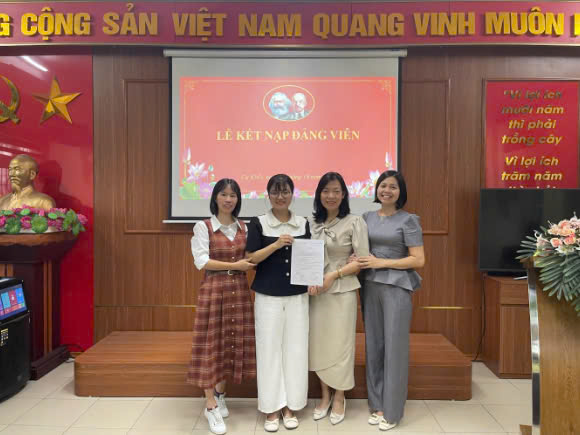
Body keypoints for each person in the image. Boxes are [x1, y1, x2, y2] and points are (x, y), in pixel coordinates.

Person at [187, 178, 257, 435]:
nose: (229, 199)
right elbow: (202, 261)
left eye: (233, 195)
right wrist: (235, 266)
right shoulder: (203, 226)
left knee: (230, 343)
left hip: (239, 291)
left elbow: (252, 256)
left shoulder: (244, 227)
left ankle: (220, 394)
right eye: (224, 194)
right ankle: (210, 405)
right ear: (215, 197)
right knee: (211, 344)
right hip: (214, 290)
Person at [357, 170, 425, 431]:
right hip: (370, 287)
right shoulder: (366, 217)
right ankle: (377, 405)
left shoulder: (408, 220)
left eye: (393, 187)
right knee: (373, 346)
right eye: (383, 185)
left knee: (394, 349)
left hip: (396, 288)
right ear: (376, 189)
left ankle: (393, 411)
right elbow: (362, 250)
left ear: (400, 192)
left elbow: (418, 259)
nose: (387, 190)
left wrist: (381, 263)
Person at [246, 174, 311, 432]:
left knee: (296, 350)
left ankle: (291, 406)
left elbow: (309, 259)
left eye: (285, 191)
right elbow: (251, 258)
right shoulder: (258, 222)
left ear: (292, 194)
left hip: (298, 296)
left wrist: (313, 280)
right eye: (275, 192)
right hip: (267, 297)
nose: (280, 196)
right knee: (269, 351)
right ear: (268, 194)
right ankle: (271, 408)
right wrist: (276, 244)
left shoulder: (303, 223)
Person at [308, 172, 370, 425]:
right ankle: (325, 395)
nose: (330, 196)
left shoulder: (355, 222)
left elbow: (362, 260)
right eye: (326, 191)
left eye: (336, 191)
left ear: (344, 194)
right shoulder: (311, 223)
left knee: (342, 345)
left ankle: (340, 396)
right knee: (319, 343)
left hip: (342, 289)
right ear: (319, 195)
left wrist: (334, 275)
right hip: (316, 292)